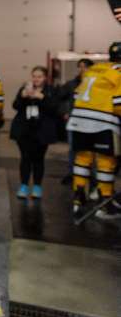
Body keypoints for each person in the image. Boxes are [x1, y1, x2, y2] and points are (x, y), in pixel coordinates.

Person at [66, 42, 121, 219]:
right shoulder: (118, 72)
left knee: (82, 158)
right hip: (103, 122)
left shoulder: (94, 69)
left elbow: (76, 95)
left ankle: (78, 196)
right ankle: (105, 202)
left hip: (78, 121)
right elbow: (119, 103)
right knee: (106, 161)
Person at [10, 66, 60, 199]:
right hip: (24, 130)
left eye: (39, 76)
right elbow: (15, 105)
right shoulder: (25, 88)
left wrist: (41, 97)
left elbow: (55, 108)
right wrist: (23, 96)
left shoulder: (51, 90)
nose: (36, 79)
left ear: (45, 78)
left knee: (38, 159)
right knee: (25, 158)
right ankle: (24, 185)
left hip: (41, 131)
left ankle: (37, 186)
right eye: (34, 76)